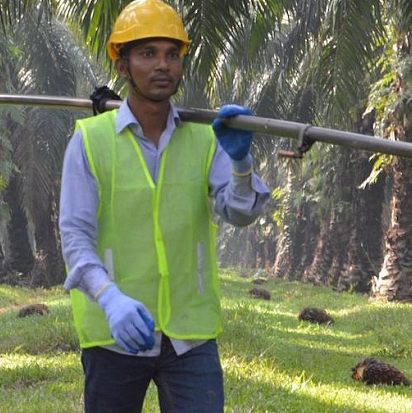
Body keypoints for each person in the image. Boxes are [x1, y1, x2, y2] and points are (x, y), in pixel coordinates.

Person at [58, 1, 271, 412]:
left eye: (172, 54)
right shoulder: (90, 141)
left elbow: (239, 213)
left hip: (189, 336)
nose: (163, 65)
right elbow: (75, 237)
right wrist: (109, 299)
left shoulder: (205, 138)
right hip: (115, 333)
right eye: (147, 54)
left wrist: (242, 164)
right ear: (122, 66)